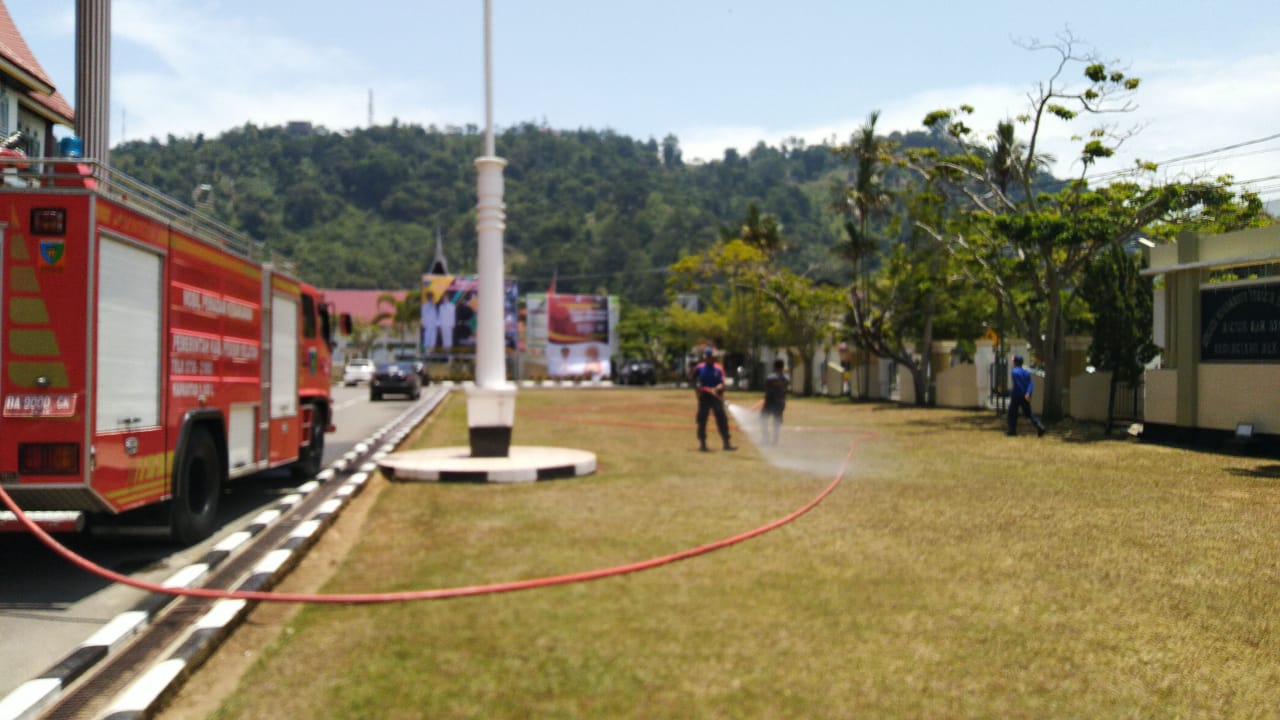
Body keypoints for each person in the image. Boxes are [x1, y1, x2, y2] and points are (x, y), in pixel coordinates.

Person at [691, 347, 735, 452]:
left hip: (716, 397)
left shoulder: (718, 368)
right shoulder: (699, 367)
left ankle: (726, 443)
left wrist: (718, 388)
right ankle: (703, 444)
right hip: (704, 397)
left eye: (713, 357)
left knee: (722, 419)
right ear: (706, 357)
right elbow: (693, 379)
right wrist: (697, 390)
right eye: (709, 357)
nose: (711, 358)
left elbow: (722, 382)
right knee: (702, 420)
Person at [1007, 354, 1046, 437]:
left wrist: (1016, 393)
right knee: (1028, 413)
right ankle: (1039, 425)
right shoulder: (1026, 372)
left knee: (1012, 413)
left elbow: (1017, 384)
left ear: (1016, 362)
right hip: (1025, 396)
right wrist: (1028, 393)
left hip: (1017, 395)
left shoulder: (1014, 372)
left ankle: (1012, 431)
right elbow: (1030, 384)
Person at [761, 358, 789, 445]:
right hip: (780, 402)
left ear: (774, 366)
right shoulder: (786, 378)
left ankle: (766, 437)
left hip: (770, 402)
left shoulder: (770, 377)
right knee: (776, 422)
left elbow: (767, 386)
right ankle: (775, 440)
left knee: (762, 419)